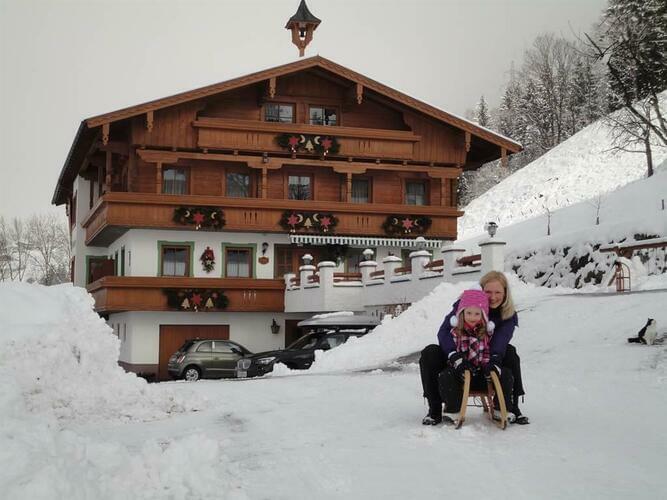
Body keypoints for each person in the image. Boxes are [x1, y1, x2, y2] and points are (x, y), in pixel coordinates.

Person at [419, 271, 529, 425]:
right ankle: (434, 408)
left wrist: (495, 359)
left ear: (505, 293)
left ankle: (512, 406)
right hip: (459, 361)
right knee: (430, 352)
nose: (493, 297)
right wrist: (454, 355)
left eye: (498, 292)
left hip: (487, 361)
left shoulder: (507, 314)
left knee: (510, 352)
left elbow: (501, 339)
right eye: (488, 292)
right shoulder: (466, 305)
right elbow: (444, 331)